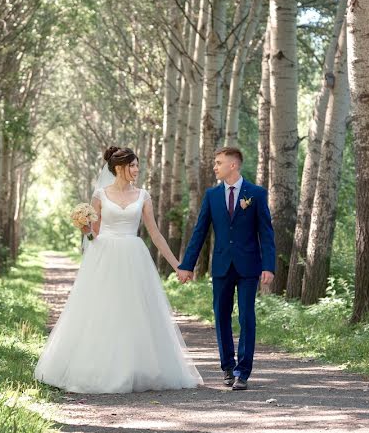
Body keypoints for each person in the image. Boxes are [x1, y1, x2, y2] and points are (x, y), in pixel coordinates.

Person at [34, 146, 202, 394]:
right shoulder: (100, 195)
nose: (136, 170)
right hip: (104, 255)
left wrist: (179, 265)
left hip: (134, 255)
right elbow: (95, 235)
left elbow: (155, 234)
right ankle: (99, 367)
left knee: (135, 310)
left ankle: (137, 368)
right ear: (119, 168)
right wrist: (86, 230)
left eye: (137, 165)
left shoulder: (143, 196)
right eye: (132, 165)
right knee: (104, 310)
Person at [177, 147, 275, 391]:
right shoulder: (212, 195)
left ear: (233, 165)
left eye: (218, 162)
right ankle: (227, 368)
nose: (215, 166)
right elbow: (200, 232)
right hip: (221, 265)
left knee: (246, 316)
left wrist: (269, 266)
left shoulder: (256, 194)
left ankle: (243, 371)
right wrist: (187, 265)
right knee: (221, 317)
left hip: (248, 266)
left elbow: (266, 232)